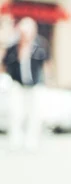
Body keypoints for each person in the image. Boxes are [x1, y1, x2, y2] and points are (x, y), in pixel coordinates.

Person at [2, 17, 49, 151]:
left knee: (35, 114)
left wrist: (47, 81)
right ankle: (16, 140)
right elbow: (4, 65)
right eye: (23, 31)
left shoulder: (40, 45)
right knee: (16, 113)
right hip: (17, 84)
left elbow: (46, 64)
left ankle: (31, 140)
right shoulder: (12, 48)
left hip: (35, 84)